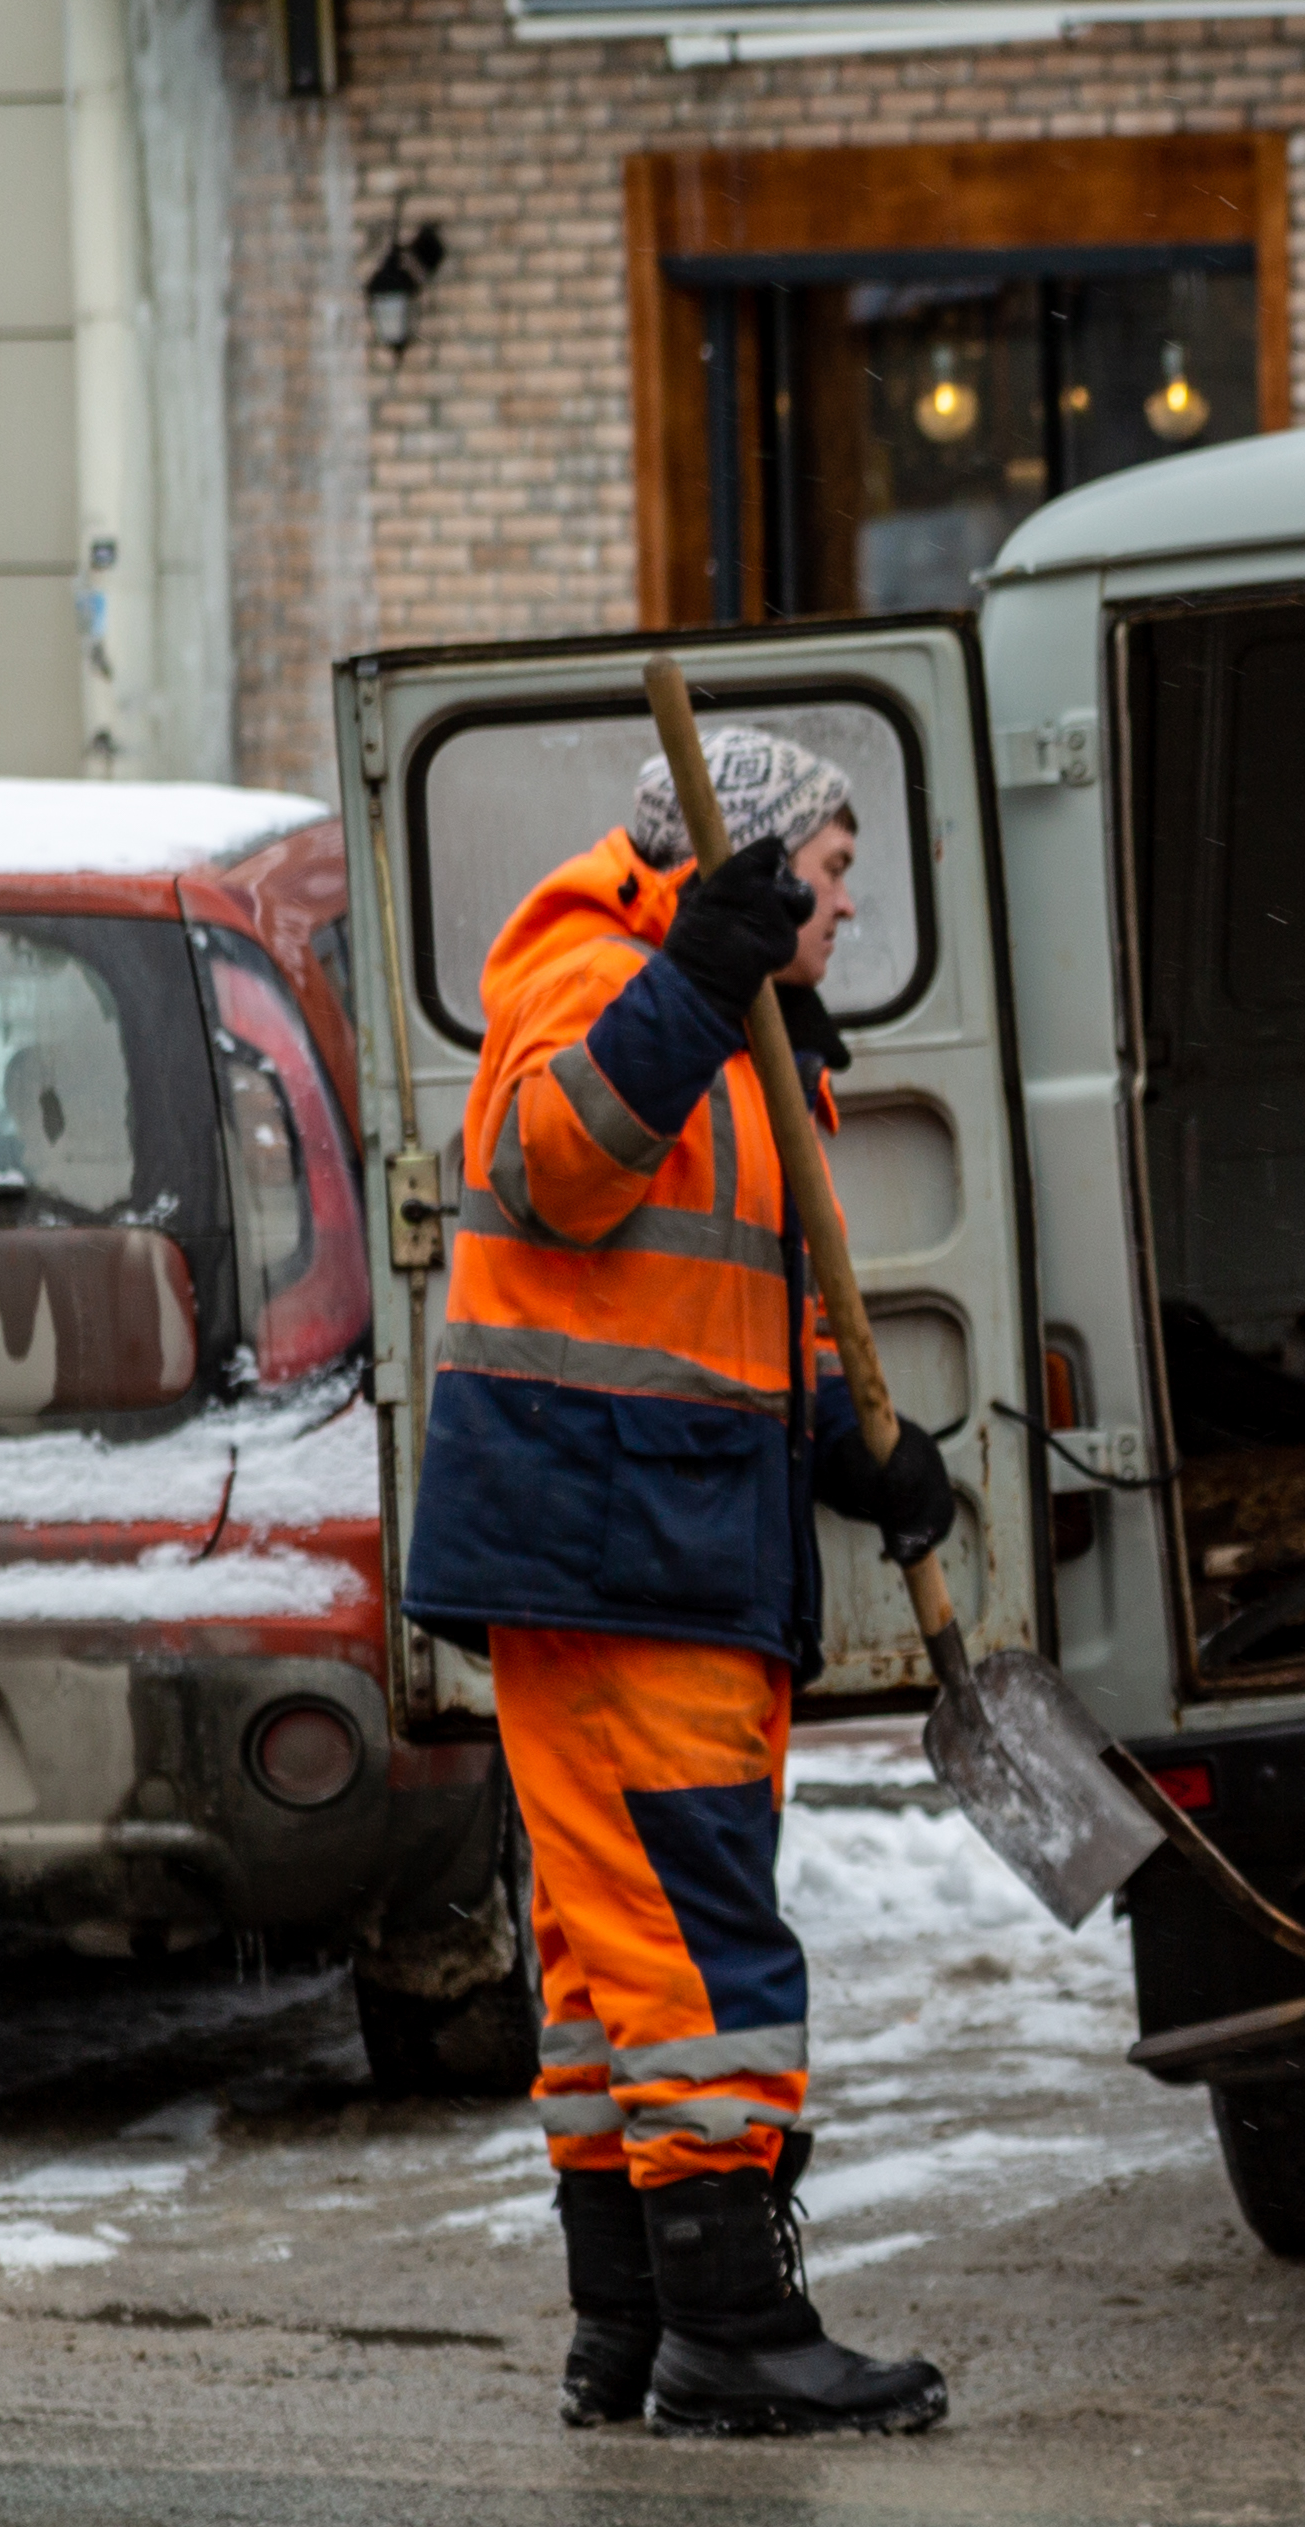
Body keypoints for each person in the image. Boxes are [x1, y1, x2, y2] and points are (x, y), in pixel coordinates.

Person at [405, 725, 954, 2438]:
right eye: (839, 874)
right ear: (761, 870)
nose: (851, 909)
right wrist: (695, 989)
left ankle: (629, 2325)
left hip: (652, 1531)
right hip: (616, 1544)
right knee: (698, 1944)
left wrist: (850, 1447)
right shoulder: (592, 977)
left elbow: (693, 1308)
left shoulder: (741, 1038)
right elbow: (555, 1168)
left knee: (612, 1955)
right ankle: (736, 2326)